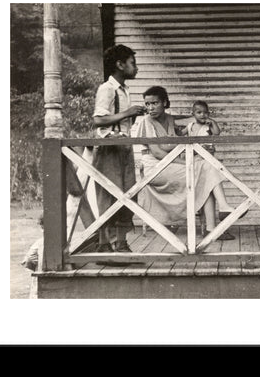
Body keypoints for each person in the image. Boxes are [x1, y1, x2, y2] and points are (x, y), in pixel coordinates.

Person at [136, 86, 241, 240]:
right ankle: (221, 211)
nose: (150, 108)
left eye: (155, 103)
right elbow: (157, 153)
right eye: (147, 104)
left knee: (206, 170)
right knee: (205, 172)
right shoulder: (146, 122)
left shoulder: (170, 120)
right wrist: (186, 163)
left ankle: (213, 225)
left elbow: (194, 121)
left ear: (164, 102)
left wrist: (207, 124)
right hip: (156, 168)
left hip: (172, 165)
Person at [92, 44, 147, 253]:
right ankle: (104, 243)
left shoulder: (124, 90)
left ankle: (121, 242)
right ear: (120, 64)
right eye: (133, 63)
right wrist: (128, 113)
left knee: (127, 193)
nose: (136, 68)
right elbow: (98, 120)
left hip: (124, 146)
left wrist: (132, 115)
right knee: (109, 194)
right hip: (109, 148)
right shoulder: (107, 88)